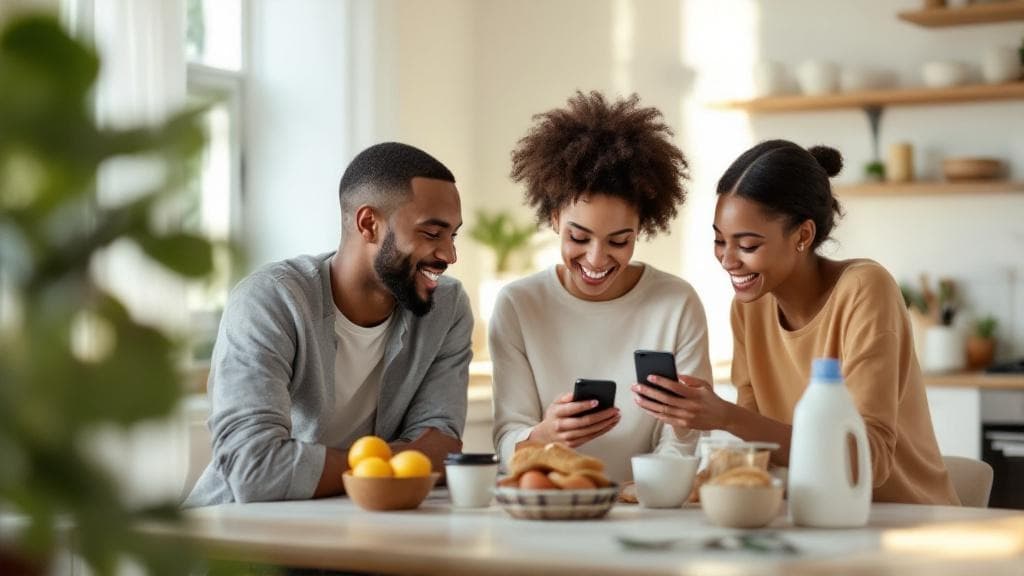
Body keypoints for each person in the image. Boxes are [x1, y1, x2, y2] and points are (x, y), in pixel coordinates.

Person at [632, 139, 959, 504]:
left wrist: (726, 416)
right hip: (812, 521)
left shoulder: (865, 289)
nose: (727, 260)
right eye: (719, 240)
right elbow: (762, 452)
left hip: (903, 526)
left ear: (803, 235)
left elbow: (867, 460)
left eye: (748, 245)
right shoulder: (748, 308)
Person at [184, 142, 473, 507]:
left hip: (358, 527)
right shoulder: (270, 301)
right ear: (369, 224)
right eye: (432, 234)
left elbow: (442, 446)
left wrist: (314, 467)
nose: (450, 254)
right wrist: (388, 464)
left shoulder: (446, 307)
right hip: (238, 535)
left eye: (453, 235)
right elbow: (254, 468)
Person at [490, 91, 712, 483]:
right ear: (556, 218)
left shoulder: (675, 304)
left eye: (618, 241)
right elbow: (510, 442)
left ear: (641, 229)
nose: (595, 259)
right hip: (552, 501)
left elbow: (684, 441)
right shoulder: (519, 305)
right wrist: (545, 435)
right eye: (579, 237)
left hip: (645, 508)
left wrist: (643, 492)